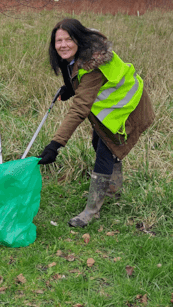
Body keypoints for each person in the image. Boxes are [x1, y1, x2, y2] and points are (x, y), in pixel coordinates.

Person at [38, 18, 155, 227]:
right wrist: (70, 89)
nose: (63, 45)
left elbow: (80, 108)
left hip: (128, 108)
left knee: (105, 150)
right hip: (111, 109)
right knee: (99, 144)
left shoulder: (93, 65)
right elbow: (78, 81)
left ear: (79, 40)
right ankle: (113, 190)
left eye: (68, 39)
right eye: (59, 41)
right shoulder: (76, 58)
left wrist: (55, 145)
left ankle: (91, 212)